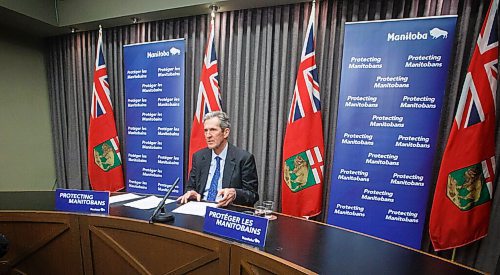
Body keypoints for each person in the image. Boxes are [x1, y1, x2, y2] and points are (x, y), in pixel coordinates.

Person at [178, 111, 259, 207]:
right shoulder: (199, 157)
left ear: (225, 132)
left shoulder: (243, 158)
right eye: (205, 130)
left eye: (213, 130)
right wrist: (191, 193)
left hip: (226, 213)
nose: (208, 135)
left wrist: (235, 194)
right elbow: (191, 187)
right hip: (200, 208)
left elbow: (252, 195)